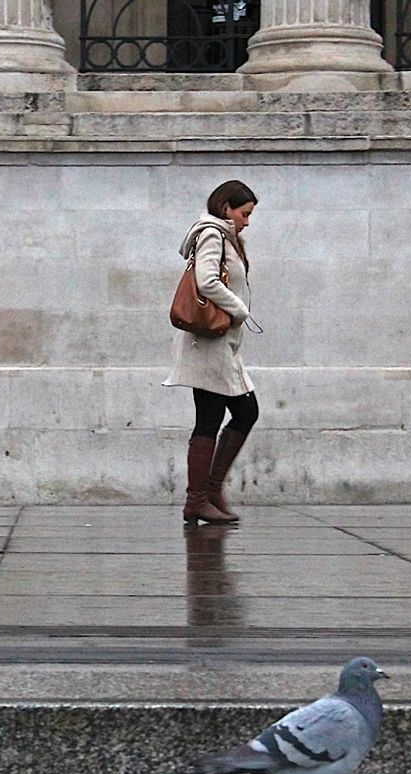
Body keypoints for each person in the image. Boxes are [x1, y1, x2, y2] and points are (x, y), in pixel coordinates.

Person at [164, 180, 259, 525]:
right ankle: (200, 497)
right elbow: (206, 281)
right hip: (207, 343)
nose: (247, 221)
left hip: (220, 344)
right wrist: (239, 310)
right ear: (225, 209)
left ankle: (207, 493)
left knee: (238, 412)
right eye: (244, 214)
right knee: (222, 415)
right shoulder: (212, 234)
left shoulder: (224, 237)